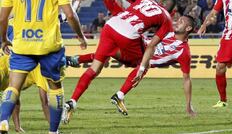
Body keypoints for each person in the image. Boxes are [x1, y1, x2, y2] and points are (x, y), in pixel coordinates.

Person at [0, 0, 87, 134]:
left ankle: (3, 121)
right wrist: (81, 37)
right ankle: (53, 133)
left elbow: (3, 17)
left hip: (22, 44)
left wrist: (4, 39)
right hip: (49, 45)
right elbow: (71, 14)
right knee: (55, 88)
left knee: (13, 86)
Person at [63, 0, 174, 123]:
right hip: (128, 35)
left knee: (94, 69)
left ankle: (72, 101)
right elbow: (151, 46)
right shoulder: (167, 19)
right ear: (172, 11)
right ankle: (120, 95)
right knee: (144, 64)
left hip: (110, 26)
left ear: (160, 1)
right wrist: (140, 69)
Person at [66, 13, 196, 117]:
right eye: (178, 20)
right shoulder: (167, 32)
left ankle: (75, 60)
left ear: (188, 29)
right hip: (138, 47)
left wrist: (188, 104)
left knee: (116, 56)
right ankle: (119, 95)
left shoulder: (184, 52)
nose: (176, 22)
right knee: (111, 53)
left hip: (140, 57)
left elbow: (186, 79)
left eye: (181, 22)